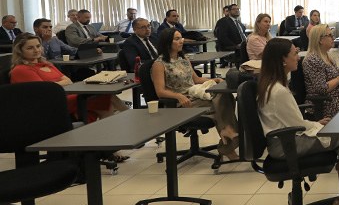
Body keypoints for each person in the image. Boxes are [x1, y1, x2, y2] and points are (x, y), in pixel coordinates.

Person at [256, 38, 339, 205]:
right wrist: (319, 126)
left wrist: (316, 123)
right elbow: (297, 125)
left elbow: (292, 121)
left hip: (284, 138)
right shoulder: (279, 91)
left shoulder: (271, 84)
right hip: (286, 145)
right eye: (294, 54)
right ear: (282, 60)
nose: (298, 57)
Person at [10, 33, 130, 162]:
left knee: (105, 98)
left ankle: (109, 146)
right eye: (30, 48)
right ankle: (126, 124)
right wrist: (57, 84)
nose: (36, 50)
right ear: (20, 51)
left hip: (64, 97)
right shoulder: (21, 70)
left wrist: (55, 85)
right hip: (49, 106)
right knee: (105, 98)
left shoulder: (46, 64)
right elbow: (45, 90)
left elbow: (68, 81)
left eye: (38, 46)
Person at [150, 29, 240, 161]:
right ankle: (228, 138)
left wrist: (214, 80)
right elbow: (160, 91)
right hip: (181, 101)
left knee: (225, 96)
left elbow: (196, 80)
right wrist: (178, 96)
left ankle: (226, 132)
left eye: (181, 38)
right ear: (167, 42)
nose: (181, 41)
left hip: (195, 93)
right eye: (176, 39)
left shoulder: (184, 59)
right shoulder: (159, 64)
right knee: (219, 101)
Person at [303, 25, 339, 119]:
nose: (333, 38)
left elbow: (337, 77)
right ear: (320, 40)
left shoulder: (327, 56)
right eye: (330, 35)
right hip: (326, 102)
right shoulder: (312, 59)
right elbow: (322, 89)